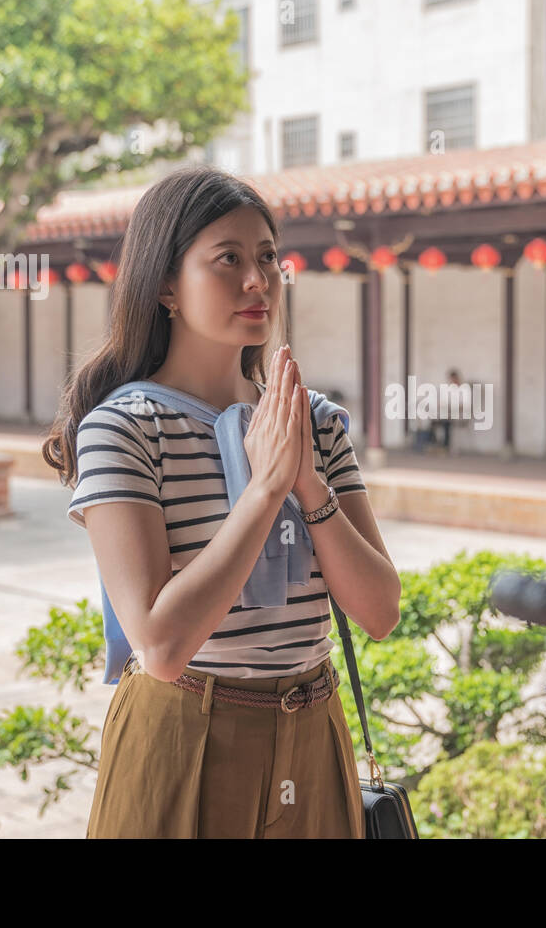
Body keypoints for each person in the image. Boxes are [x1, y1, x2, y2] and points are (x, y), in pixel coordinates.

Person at [44, 166, 401, 838]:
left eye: (268, 258)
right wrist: (265, 490)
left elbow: (380, 611)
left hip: (314, 726)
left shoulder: (313, 421)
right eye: (228, 259)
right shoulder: (124, 428)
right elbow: (162, 643)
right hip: (182, 732)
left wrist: (307, 484)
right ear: (165, 286)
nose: (258, 280)